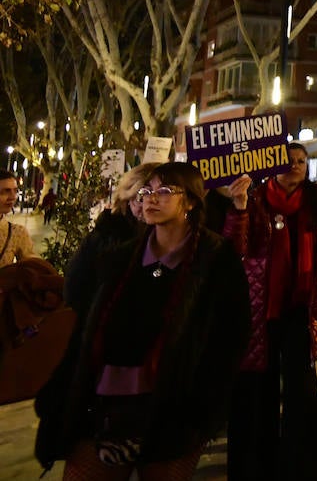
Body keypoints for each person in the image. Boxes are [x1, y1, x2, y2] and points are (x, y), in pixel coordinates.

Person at [35, 161, 251, 479]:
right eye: (147, 191)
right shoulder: (120, 256)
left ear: (190, 201)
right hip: (102, 408)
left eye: (164, 191)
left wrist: (203, 411)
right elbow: (80, 309)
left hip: (172, 416)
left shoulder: (216, 260)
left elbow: (231, 338)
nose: (151, 198)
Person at [222, 143, 317, 480]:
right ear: (272, 164)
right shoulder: (256, 198)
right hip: (263, 309)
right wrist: (239, 208)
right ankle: (263, 466)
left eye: (302, 161)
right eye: (289, 160)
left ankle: (303, 467)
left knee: (302, 391)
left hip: (302, 308)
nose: (296, 166)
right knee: (263, 390)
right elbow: (236, 248)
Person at [63, 165, 152, 310]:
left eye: (160, 194)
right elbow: (74, 290)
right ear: (127, 199)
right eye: (141, 197)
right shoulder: (105, 237)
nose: (149, 204)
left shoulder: (168, 240)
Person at [1, 172, 37, 264]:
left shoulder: (17, 233)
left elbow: (32, 269)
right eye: (5, 191)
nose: (13, 197)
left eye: (15, 191)